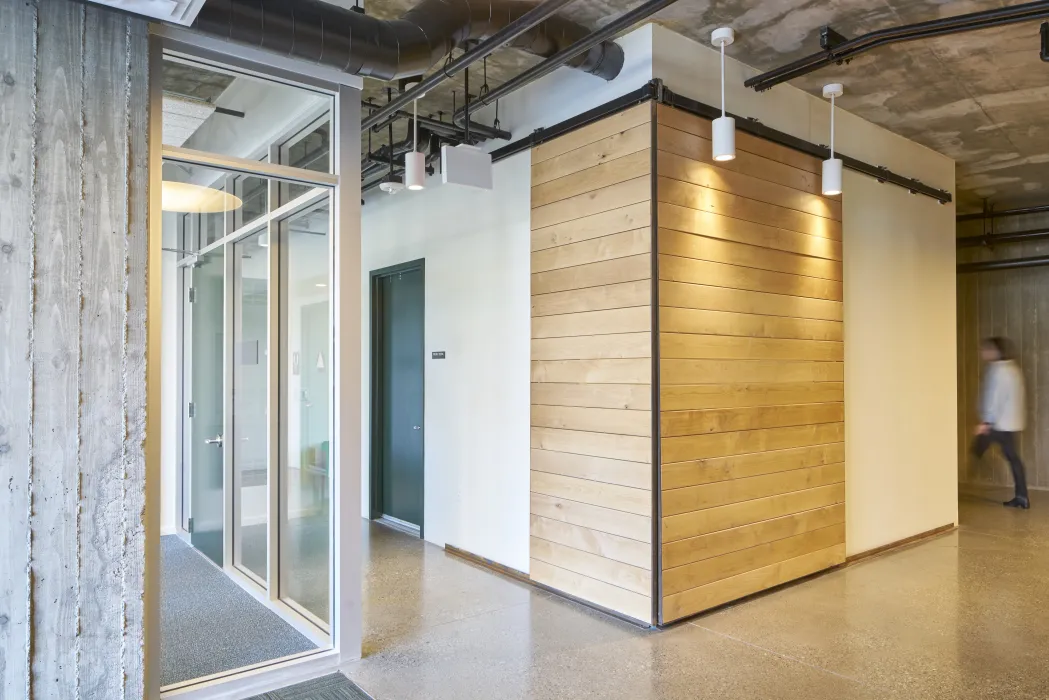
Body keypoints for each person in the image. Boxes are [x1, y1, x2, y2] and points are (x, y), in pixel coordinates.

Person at [973, 337, 1029, 509]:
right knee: (1013, 458)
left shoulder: (1000, 371)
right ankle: (1022, 497)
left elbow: (995, 398)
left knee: (977, 450)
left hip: (999, 424)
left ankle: (954, 487)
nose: (983, 352)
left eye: (987, 349)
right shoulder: (1012, 369)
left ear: (996, 351)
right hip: (1008, 423)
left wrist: (987, 421)